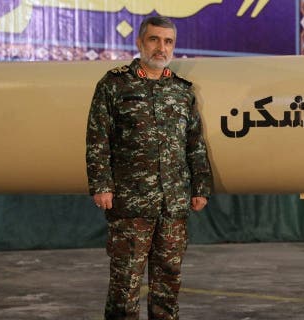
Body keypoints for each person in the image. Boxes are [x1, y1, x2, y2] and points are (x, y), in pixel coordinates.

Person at [86, 16, 213, 319]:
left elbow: (194, 143)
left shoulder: (182, 91)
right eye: (154, 40)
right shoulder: (114, 84)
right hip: (131, 203)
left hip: (173, 204)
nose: (161, 47)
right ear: (140, 42)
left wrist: (200, 187)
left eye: (168, 41)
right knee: (125, 282)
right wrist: (101, 185)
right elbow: (97, 138)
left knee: (168, 280)